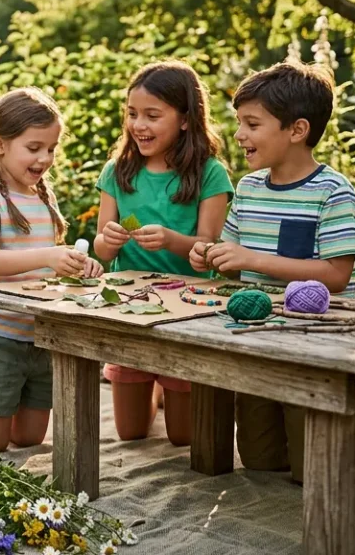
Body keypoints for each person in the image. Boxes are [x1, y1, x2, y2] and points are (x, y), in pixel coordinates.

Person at [188, 61, 355, 480]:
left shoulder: (333, 191)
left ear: (297, 130)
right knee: (260, 459)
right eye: (239, 122)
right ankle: (342, 436)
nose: (239, 134)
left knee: (313, 469)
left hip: (316, 346)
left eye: (252, 124)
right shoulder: (249, 188)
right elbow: (232, 259)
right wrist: (210, 256)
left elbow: (336, 275)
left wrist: (251, 259)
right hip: (260, 340)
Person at [93, 61, 234, 445]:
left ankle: (165, 386)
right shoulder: (117, 171)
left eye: (152, 116)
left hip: (187, 309)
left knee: (183, 437)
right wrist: (110, 239)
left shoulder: (210, 174)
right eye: (132, 114)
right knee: (131, 432)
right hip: (129, 306)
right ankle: (153, 389)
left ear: (185, 119)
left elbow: (209, 247)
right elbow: (101, 247)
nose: (139, 125)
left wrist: (172, 240)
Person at [0, 88, 103, 456]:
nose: (45, 158)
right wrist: (50, 255)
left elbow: (47, 265)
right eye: (34, 147)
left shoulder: (43, 196)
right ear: (0, 144)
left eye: (52, 148)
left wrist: (77, 265)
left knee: (28, 439)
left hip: (39, 335)